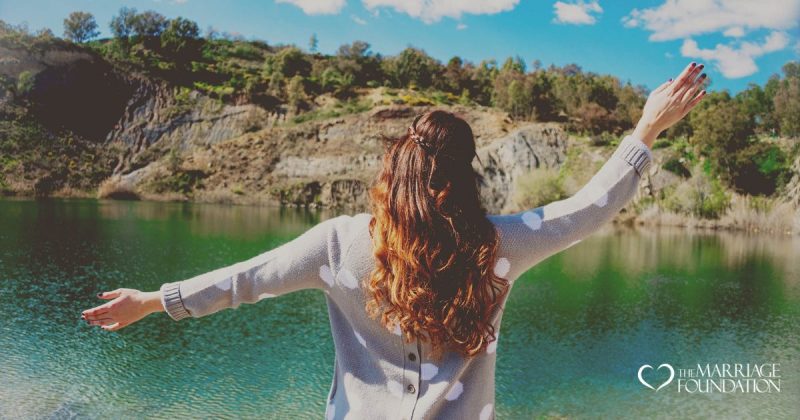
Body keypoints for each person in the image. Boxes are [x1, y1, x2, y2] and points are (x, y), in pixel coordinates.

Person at [81, 62, 708, 419]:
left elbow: (245, 280)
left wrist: (152, 300)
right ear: (464, 177)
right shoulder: (497, 246)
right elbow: (586, 209)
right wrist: (646, 127)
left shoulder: (339, 244)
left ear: (394, 169)